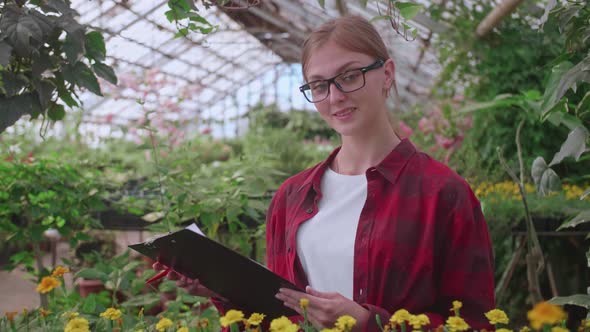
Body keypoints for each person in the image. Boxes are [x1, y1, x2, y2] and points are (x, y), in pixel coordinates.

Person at [157, 15, 495, 332]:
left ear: (387, 74)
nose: (335, 97)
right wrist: (221, 289)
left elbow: (475, 321)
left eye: (350, 76)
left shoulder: (443, 194)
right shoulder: (291, 196)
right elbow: (278, 314)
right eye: (318, 86)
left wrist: (367, 322)